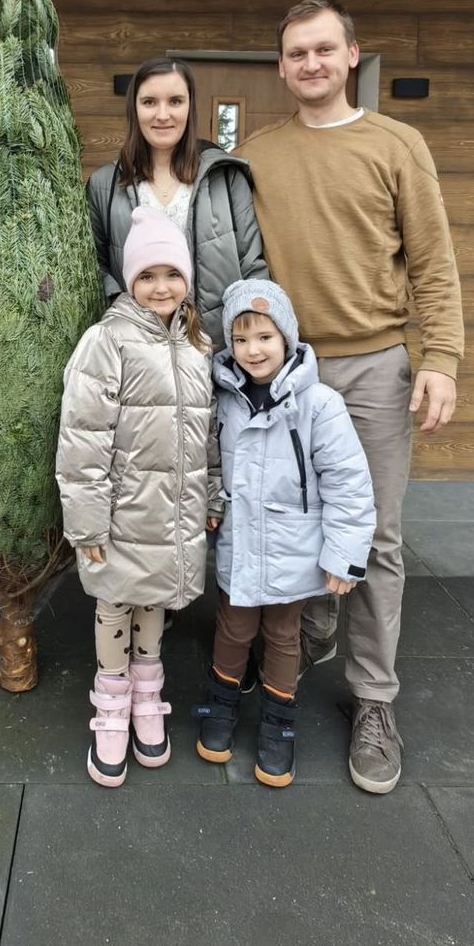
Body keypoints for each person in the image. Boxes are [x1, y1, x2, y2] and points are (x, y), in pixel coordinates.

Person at [239, 0, 464, 795]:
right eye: (297, 52)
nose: (312, 63)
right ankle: (307, 634)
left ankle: (373, 699)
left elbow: (433, 260)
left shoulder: (397, 144)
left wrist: (442, 357)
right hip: (288, 371)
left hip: (374, 366)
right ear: (281, 67)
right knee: (293, 517)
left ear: (351, 55)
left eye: (324, 49)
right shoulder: (257, 156)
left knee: (376, 537)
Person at [55, 208, 218, 788]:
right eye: (147, 275)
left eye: (172, 274)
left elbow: (209, 432)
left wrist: (212, 494)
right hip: (123, 510)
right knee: (116, 601)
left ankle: (148, 694)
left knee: (154, 599)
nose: (161, 287)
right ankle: (111, 703)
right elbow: (83, 435)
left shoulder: (197, 345)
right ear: (129, 280)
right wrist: (86, 521)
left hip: (173, 510)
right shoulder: (107, 342)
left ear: (187, 280)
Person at [195, 279, 376, 787]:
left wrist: (344, 554)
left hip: (291, 549)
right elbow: (208, 460)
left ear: (288, 337)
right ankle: (220, 705)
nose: (253, 350)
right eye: (241, 339)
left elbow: (348, 482)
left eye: (265, 337)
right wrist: (210, 503)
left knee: (282, 635)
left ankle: (278, 725)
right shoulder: (223, 400)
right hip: (240, 545)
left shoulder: (318, 404)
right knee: (232, 628)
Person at [88, 57, 267, 345]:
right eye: (149, 102)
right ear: (134, 108)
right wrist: (125, 314)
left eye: (175, 101)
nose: (163, 114)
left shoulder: (226, 177)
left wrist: (252, 336)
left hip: (218, 348)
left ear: (189, 106)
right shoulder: (104, 185)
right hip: (139, 351)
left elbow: (252, 266)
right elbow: (97, 268)